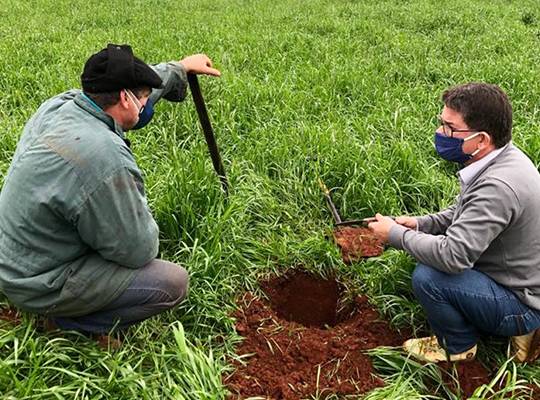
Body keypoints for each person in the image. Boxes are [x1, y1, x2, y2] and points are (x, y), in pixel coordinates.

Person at [0, 44, 220, 343]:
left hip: (16, 258)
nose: (146, 106)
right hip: (40, 281)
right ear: (124, 98)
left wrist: (181, 67)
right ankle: (69, 322)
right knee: (170, 282)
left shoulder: (62, 106)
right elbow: (138, 250)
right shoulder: (104, 157)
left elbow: (139, 89)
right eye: (142, 100)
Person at [369, 82, 540, 363]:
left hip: (522, 301)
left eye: (450, 128)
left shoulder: (497, 187)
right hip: (523, 280)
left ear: (481, 139)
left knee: (429, 276)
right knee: (426, 249)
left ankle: (458, 346)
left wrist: (395, 235)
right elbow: (465, 211)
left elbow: (453, 257)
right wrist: (421, 224)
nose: (440, 133)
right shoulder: (505, 158)